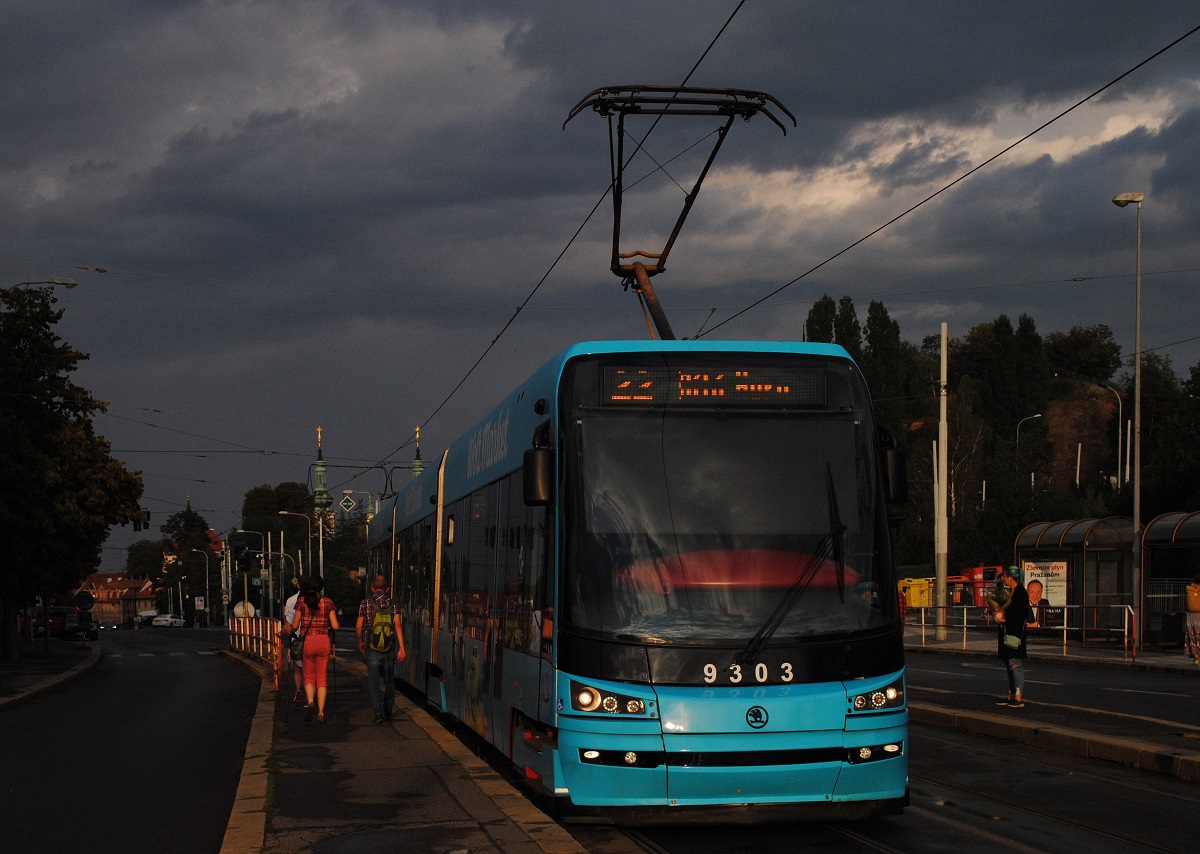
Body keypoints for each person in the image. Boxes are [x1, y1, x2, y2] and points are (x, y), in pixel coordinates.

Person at [356, 575, 407, 723]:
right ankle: (388, 710)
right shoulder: (393, 604)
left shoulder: (365, 603)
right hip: (388, 649)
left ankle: (378, 713)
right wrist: (402, 648)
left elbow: (359, 626)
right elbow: (398, 626)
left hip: (371, 648)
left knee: (373, 682)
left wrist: (360, 641)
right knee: (389, 681)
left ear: (372, 588)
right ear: (387, 589)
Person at [289, 575, 339, 723]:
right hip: (323, 641)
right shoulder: (328, 602)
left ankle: (310, 702)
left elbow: (295, 625)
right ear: (321, 588)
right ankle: (321, 713)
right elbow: (335, 626)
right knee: (322, 677)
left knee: (309, 676)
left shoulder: (301, 602)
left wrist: (291, 630)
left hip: (308, 641)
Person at [993, 566, 1029, 708]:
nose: (1003, 579)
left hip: (1015, 634)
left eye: (1004, 576)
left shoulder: (1021, 593)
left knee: (1015, 664)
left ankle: (1018, 697)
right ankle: (1011, 694)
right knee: (1009, 665)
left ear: (1009, 577)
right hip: (1006, 633)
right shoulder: (1010, 592)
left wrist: (1004, 619)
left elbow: (1021, 615)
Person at [282, 576, 305, 708]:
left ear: (298, 585)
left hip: (296, 639)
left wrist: (281, 633)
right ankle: (311, 696)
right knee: (311, 669)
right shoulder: (320, 600)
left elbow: (288, 623)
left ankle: (298, 690)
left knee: (297, 668)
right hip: (314, 639)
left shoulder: (292, 601)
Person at [1185, 572, 1200, 665]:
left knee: (1192, 637)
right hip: (1199, 614)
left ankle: (1196, 657)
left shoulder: (1188, 588)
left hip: (1190, 615)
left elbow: (1185, 602)